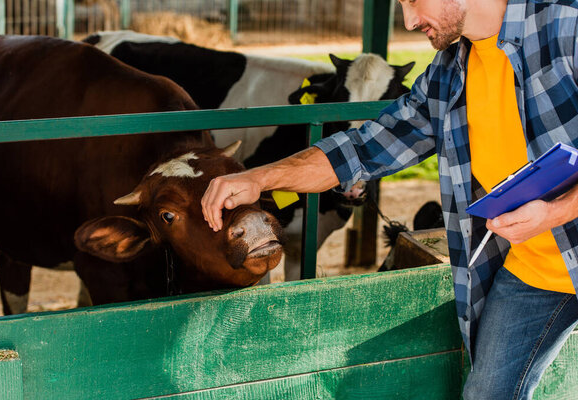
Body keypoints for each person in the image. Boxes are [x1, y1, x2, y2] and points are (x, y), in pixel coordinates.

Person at [201, 0, 578, 398]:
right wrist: (259, 177)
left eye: (414, 0)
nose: (409, 20)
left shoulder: (567, 27)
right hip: (535, 272)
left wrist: (554, 211)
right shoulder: (449, 73)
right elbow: (363, 148)